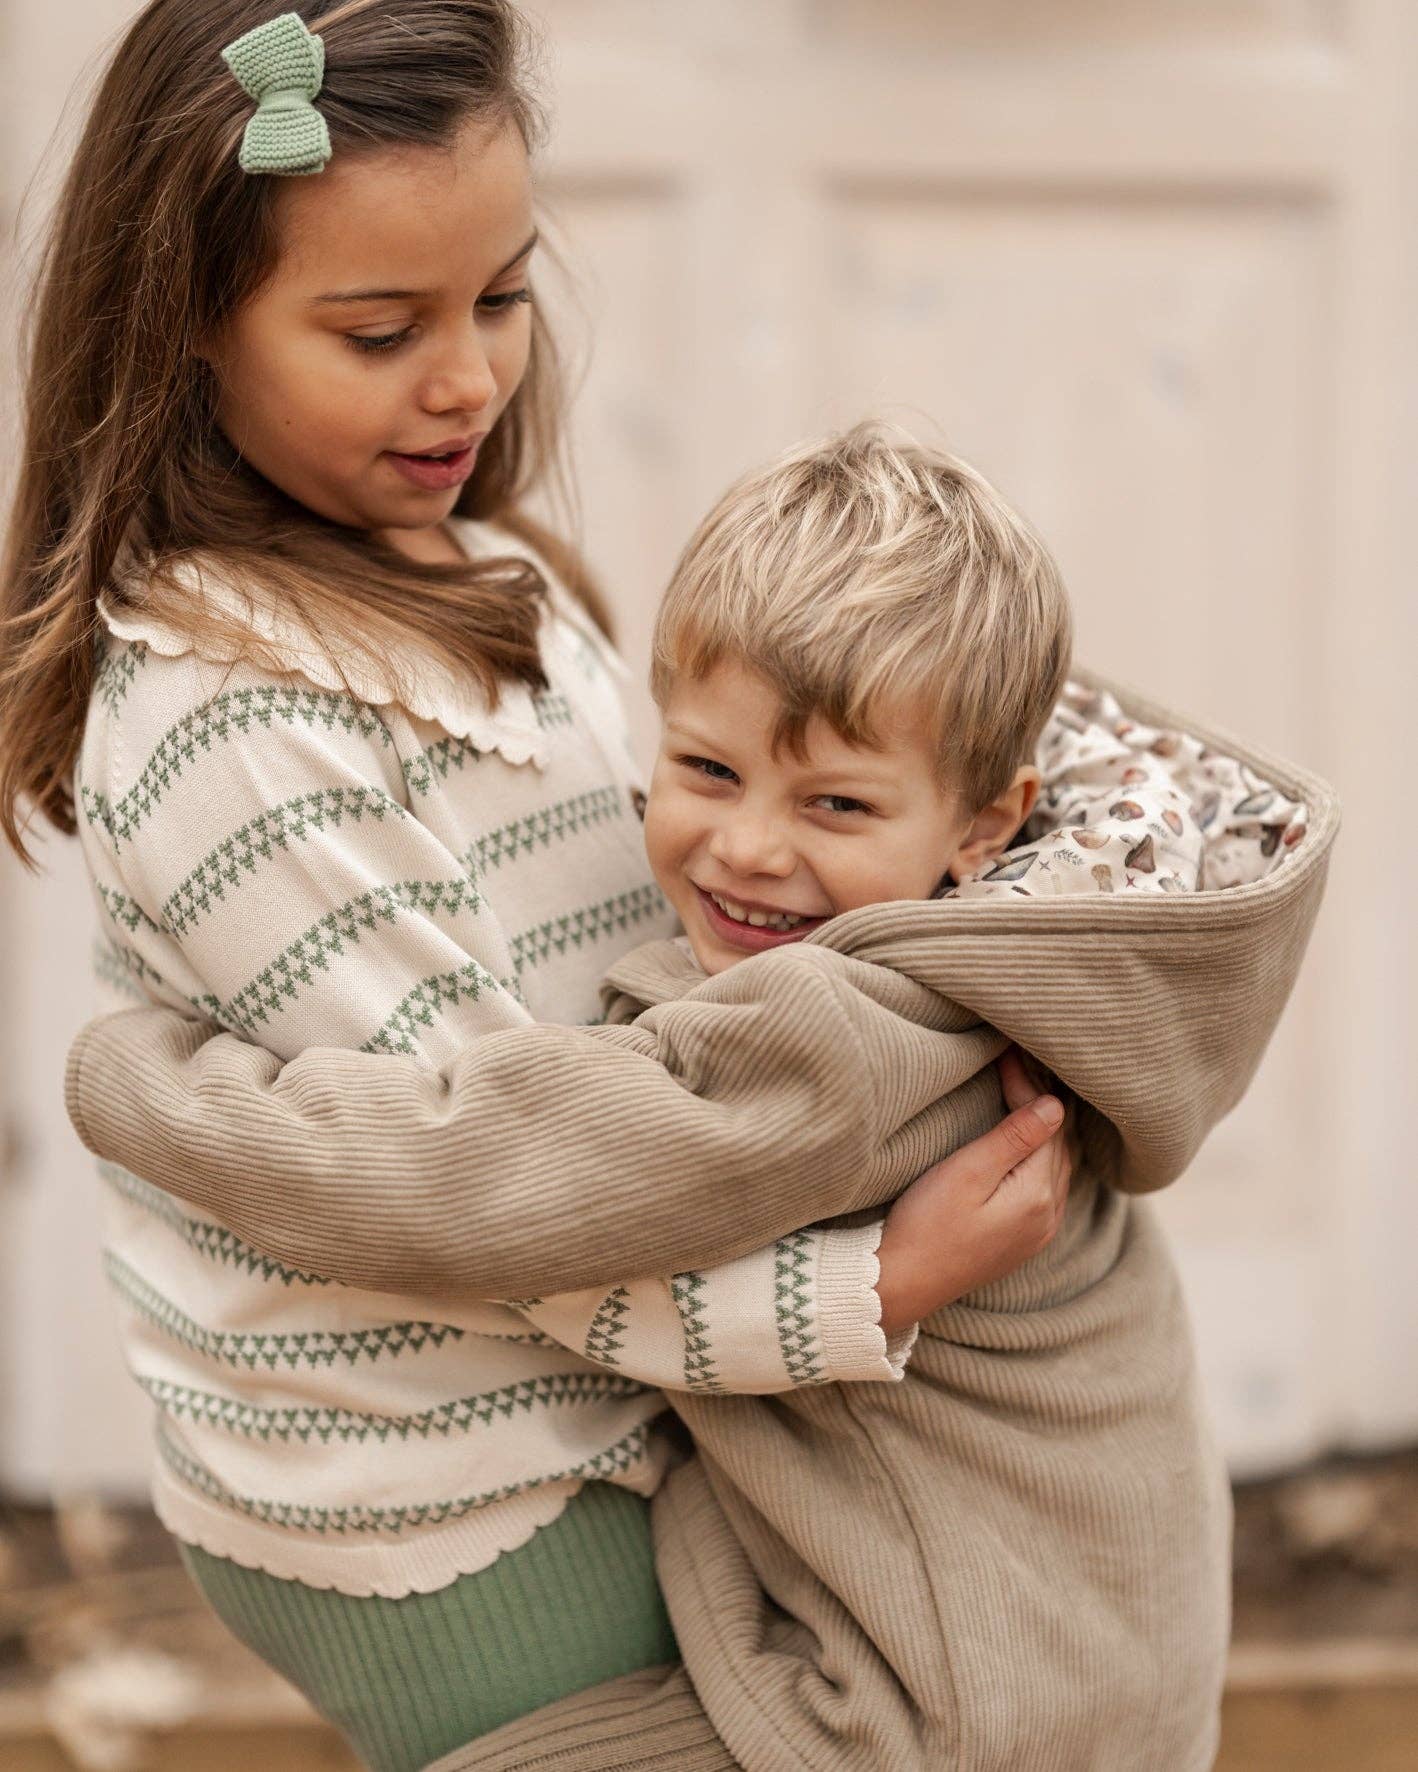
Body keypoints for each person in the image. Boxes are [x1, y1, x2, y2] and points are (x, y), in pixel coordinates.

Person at [0, 6, 1078, 1769]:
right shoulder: (235, 721)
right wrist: (855, 1289)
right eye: (377, 330)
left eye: (498, 298)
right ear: (180, 324)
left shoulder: (477, 567)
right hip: (442, 1478)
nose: (466, 383)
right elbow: (477, 1187)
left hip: (601, 1368)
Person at [63, 420, 1333, 1772]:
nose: (745, 845)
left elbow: (481, 1178)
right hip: (1097, 1639)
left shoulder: (855, 1035)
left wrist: (147, 1088)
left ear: (982, 826)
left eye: (835, 807)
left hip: (949, 1710)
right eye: (707, 770)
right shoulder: (1030, 949)